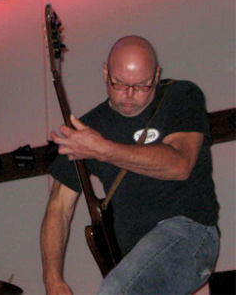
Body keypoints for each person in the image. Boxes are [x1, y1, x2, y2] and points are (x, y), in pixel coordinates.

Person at [40, 35, 219, 295]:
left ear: (156, 76)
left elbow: (180, 164)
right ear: (105, 73)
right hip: (134, 254)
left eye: (141, 85)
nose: (129, 95)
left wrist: (104, 150)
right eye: (119, 84)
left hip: (190, 233)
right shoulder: (90, 128)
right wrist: (53, 280)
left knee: (116, 289)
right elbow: (59, 206)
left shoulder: (180, 96)